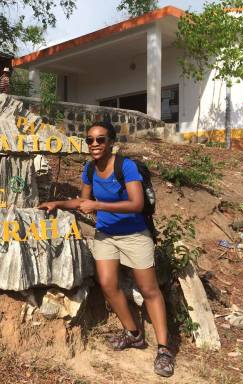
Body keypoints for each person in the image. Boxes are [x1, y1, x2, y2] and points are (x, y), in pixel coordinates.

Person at [37, 121, 174, 378]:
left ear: (111, 142)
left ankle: (164, 349)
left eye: (100, 140)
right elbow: (83, 200)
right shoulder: (89, 169)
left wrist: (99, 206)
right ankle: (133, 334)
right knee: (108, 285)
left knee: (149, 289)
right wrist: (58, 202)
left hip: (135, 235)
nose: (95, 145)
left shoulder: (126, 166)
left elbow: (136, 203)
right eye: (90, 140)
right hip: (106, 235)